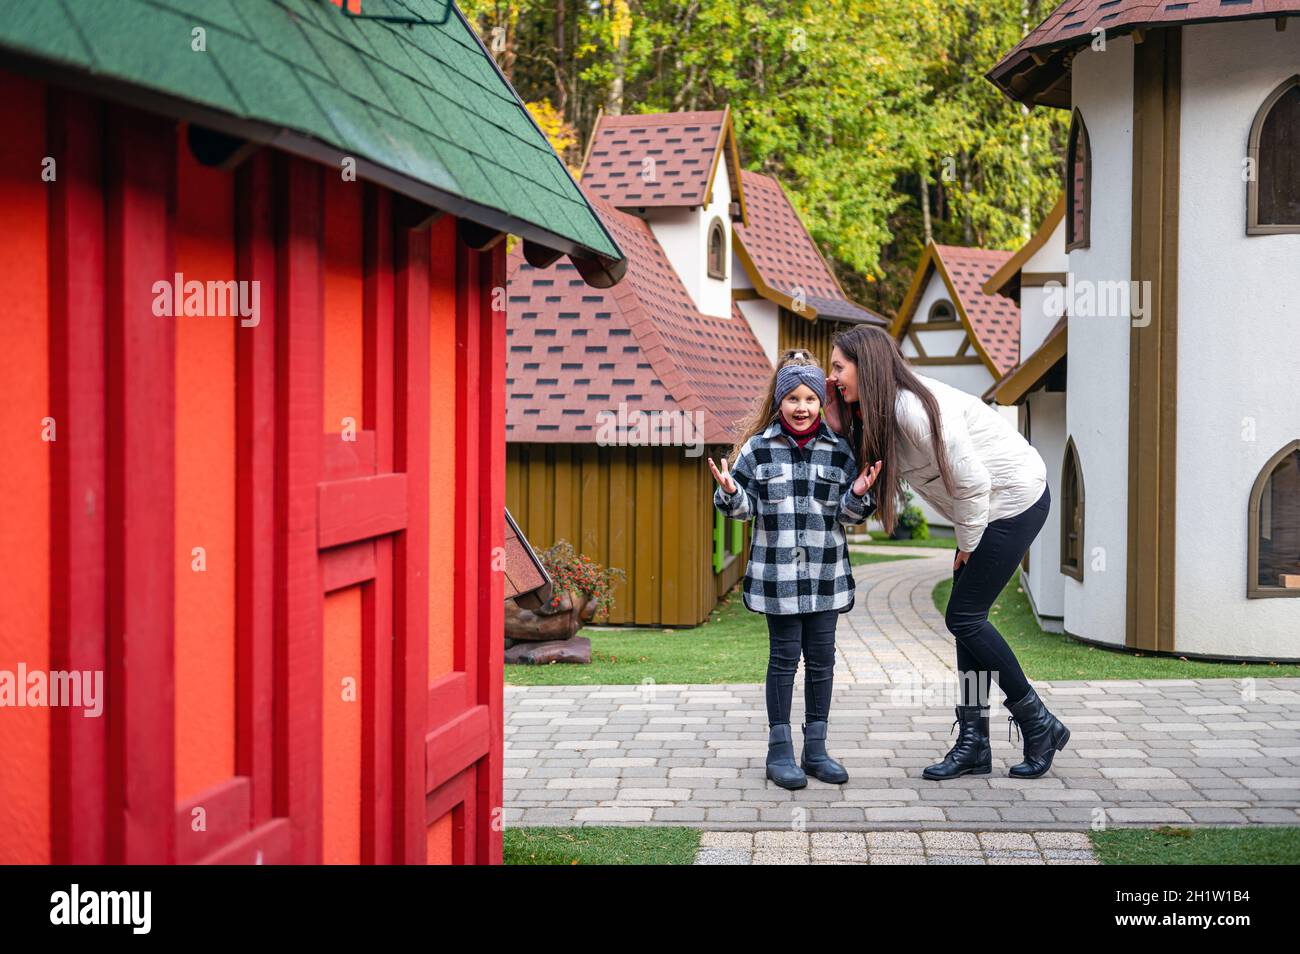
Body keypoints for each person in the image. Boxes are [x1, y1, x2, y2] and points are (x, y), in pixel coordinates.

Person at [825, 325, 1070, 780]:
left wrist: (967, 544)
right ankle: (975, 744)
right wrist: (840, 425)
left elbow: (973, 479)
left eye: (839, 367)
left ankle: (1040, 723)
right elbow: (865, 479)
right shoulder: (877, 413)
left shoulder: (913, 408)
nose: (832, 375)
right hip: (985, 508)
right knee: (966, 622)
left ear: (867, 366)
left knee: (964, 617)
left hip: (1015, 498)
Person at [709, 351, 882, 789]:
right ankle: (779, 750)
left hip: (825, 577)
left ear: (820, 403)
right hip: (778, 580)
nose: (801, 407)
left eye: (810, 398)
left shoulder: (839, 450)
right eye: (793, 399)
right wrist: (731, 491)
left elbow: (848, 515)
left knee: (822, 661)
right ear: (780, 401)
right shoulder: (758, 449)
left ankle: (817, 749)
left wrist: (859, 492)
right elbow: (743, 511)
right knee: (784, 660)